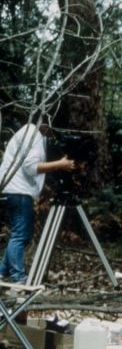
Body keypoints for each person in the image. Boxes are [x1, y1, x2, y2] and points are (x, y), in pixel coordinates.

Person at [0, 121, 76, 284]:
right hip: (18, 191)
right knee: (21, 235)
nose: (53, 133)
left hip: (14, 189)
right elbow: (30, 167)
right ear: (46, 124)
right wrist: (60, 165)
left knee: (19, 234)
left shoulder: (28, 131)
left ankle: (2, 271)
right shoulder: (33, 134)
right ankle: (17, 277)